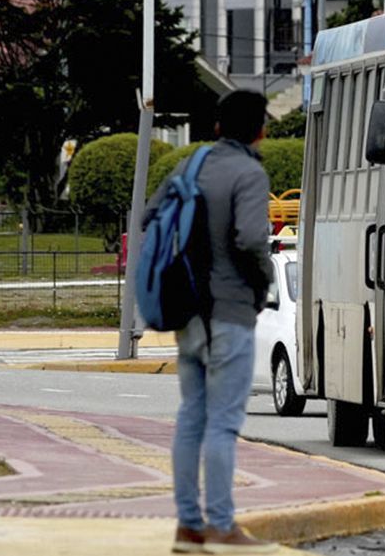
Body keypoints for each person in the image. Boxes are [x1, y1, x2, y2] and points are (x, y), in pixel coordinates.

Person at [145, 89, 278, 554]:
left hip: (187, 314)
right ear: (260, 131)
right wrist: (266, 282)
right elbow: (250, 240)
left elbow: (149, 216)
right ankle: (221, 525)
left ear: (218, 127)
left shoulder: (190, 165)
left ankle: (188, 526)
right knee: (222, 424)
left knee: (190, 420)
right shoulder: (250, 173)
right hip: (232, 313)